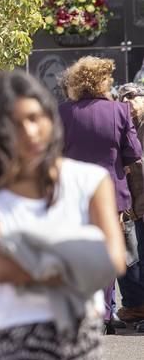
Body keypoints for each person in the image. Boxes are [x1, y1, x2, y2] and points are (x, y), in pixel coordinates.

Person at [0, 71, 126, 360]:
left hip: (80, 333)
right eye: (15, 123)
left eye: (34, 117)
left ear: (51, 118)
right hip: (18, 335)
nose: (28, 131)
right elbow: (1, 270)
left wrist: (26, 249)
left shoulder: (91, 181)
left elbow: (113, 258)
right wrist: (80, 248)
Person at [59, 56, 142, 330]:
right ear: (101, 81)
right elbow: (134, 153)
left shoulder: (63, 113)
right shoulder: (119, 111)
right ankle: (103, 316)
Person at [115, 83, 144, 326]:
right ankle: (135, 307)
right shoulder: (124, 126)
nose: (128, 104)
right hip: (129, 206)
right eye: (122, 100)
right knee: (127, 259)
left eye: (133, 97)